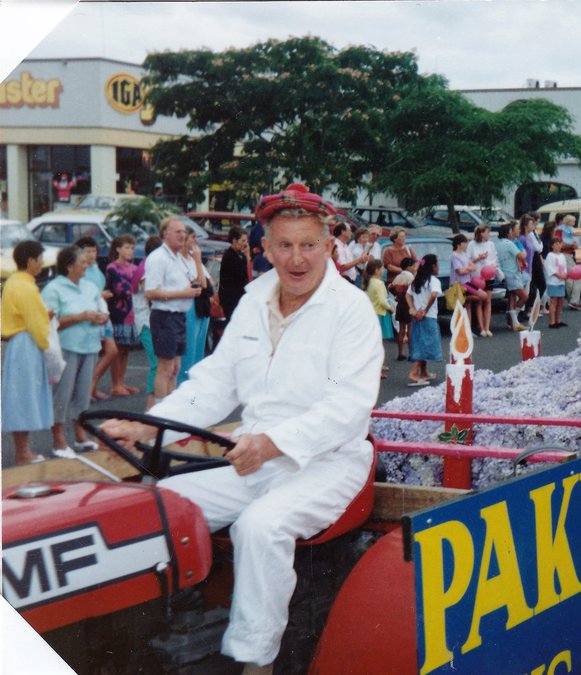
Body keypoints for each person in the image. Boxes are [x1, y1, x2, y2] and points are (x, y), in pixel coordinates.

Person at [100, 183, 383, 673]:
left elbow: (348, 407)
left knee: (260, 526)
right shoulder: (253, 301)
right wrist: (147, 426)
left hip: (327, 462)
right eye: (285, 245)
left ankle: (257, 663)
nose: (297, 258)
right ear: (266, 247)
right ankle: (145, 633)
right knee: (161, 508)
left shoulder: (350, 309)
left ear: (330, 245)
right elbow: (214, 381)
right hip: (252, 455)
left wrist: (274, 443)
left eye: (309, 244)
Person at [42, 246, 107, 455]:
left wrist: (100, 317)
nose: (86, 264)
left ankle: (81, 435)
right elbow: (50, 322)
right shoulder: (53, 289)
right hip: (66, 347)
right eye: (81, 262)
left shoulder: (89, 287)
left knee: (82, 393)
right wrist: (81, 316)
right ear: (69, 267)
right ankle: (58, 439)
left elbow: (102, 310)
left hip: (90, 345)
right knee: (62, 393)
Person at [1, 240, 54, 465]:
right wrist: (47, 347)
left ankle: (24, 450)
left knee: (21, 396)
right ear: (31, 261)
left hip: (19, 342)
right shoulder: (25, 287)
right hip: (27, 343)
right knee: (23, 397)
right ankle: (23, 452)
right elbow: (36, 324)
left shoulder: (15, 282)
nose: (42, 264)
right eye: (40, 259)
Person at [144, 216, 203, 404]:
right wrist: (182, 293)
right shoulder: (158, 258)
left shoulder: (179, 259)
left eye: (184, 232)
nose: (182, 235)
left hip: (179, 317)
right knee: (165, 368)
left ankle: (170, 409)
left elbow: (196, 282)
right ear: (165, 234)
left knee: (176, 368)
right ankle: (160, 412)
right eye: (178, 232)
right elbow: (151, 292)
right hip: (164, 316)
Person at [77, 236, 118, 403]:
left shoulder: (96, 269)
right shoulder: (80, 270)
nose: (91, 255)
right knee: (100, 352)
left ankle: (92, 386)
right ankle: (88, 388)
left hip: (102, 314)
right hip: (90, 316)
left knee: (111, 351)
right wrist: (101, 295)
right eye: (87, 251)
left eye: (93, 251)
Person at [104, 235, 142, 396]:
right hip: (119, 312)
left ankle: (121, 381)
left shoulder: (134, 268)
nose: (130, 251)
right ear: (118, 249)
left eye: (132, 248)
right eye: (126, 247)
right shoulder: (113, 267)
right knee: (118, 348)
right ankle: (115, 384)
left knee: (126, 349)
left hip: (132, 312)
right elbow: (120, 289)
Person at [177, 227, 210, 385]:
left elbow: (204, 282)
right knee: (187, 352)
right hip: (187, 306)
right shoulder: (178, 260)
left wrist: (197, 261)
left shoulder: (192, 259)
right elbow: (198, 284)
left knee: (198, 350)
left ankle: (193, 387)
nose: (195, 241)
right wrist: (198, 262)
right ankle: (182, 385)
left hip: (200, 306)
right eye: (193, 237)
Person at [406, 253, 442, 386]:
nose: (438, 267)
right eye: (437, 264)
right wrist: (426, 310)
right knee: (426, 345)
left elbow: (408, 295)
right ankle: (414, 372)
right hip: (428, 316)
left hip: (417, 317)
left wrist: (412, 309)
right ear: (433, 266)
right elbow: (433, 295)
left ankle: (424, 371)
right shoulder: (433, 281)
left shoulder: (417, 280)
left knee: (421, 341)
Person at [135, 236, 162, 411]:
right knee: (156, 363)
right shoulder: (146, 267)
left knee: (161, 363)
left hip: (152, 319)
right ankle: (150, 406)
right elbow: (148, 293)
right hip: (146, 320)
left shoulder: (149, 265)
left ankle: (155, 404)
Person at [450, 233, 491, 336]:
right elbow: (460, 271)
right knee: (483, 295)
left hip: (467, 282)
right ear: (459, 244)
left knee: (469, 305)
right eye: (464, 242)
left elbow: (473, 267)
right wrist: (467, 268)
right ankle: (463, 299)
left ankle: (468, 329)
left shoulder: (465, 255)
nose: (466, 244)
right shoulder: (454, 255)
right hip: (460, 284)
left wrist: (467, 268)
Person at [495, 223, 528, 331]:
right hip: (512, 273)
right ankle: (515, 321)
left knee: (512, 298)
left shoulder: (497, 243)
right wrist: (524, 251)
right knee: (524, 297)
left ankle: (511, 322)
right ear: (508, 233)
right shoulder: (509, 243)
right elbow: (521, 255)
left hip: (505, 273)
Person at [219, 226, 251, 320]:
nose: (245, 244)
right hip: (231, 299)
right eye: (243, 241)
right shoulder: (229, 256)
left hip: (239, 296)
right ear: (234, 240)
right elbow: (243, 273)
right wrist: (247, 255)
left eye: (246, 241)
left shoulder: (240, 255)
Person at [389, 257, 417, 362]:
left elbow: (391, 288)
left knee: (401, 330)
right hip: (408, 305)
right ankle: (411, 354)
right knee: (410, 330)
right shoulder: (411, 277)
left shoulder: (399, 276)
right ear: (409, 267)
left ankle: (400, 353)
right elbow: (413, 291)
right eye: (414, 266)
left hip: (400, 304)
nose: (415, 268)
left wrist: (397, 296)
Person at [559, 215, 581, 310]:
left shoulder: (570, 231)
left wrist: (573, 245)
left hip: (570, 255)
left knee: (571, 278)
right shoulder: (561, 231)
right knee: (575, 277)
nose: (574, 224)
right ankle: (574, 301)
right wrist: (571, 245)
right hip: (565, 255)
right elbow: (560, 245)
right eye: (572, 222)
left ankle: (573, 300)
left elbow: (576, 245)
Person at [544, 237, 569, 329]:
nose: (558, 245)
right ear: (552, 246)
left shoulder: (562, 256)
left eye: (559, 243)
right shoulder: (550, 255)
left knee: (560, 301)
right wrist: (559, 276)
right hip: (553, 282)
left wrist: (565, 275)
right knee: (553, 301)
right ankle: (552, 322)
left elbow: (565, 267)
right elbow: (551, 269)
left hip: (561, 282)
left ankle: (558, 320)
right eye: (556, 244)